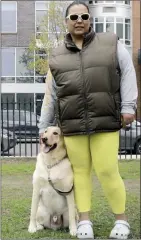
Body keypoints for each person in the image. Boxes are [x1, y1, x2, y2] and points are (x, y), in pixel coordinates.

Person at [38, 1, 138, 239]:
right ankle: (84, 221)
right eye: (74, 17)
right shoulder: (57, 55)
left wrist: (128, 106)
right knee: (80, 172)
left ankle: (121, 222)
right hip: (72, 125)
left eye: (84, 16)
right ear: (66, 22)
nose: (79, 20)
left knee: (107, 170)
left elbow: (128, 73)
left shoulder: (111, 44)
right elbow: (51, 95)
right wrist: (44, 126)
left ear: (90, 19)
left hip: (105, 121)